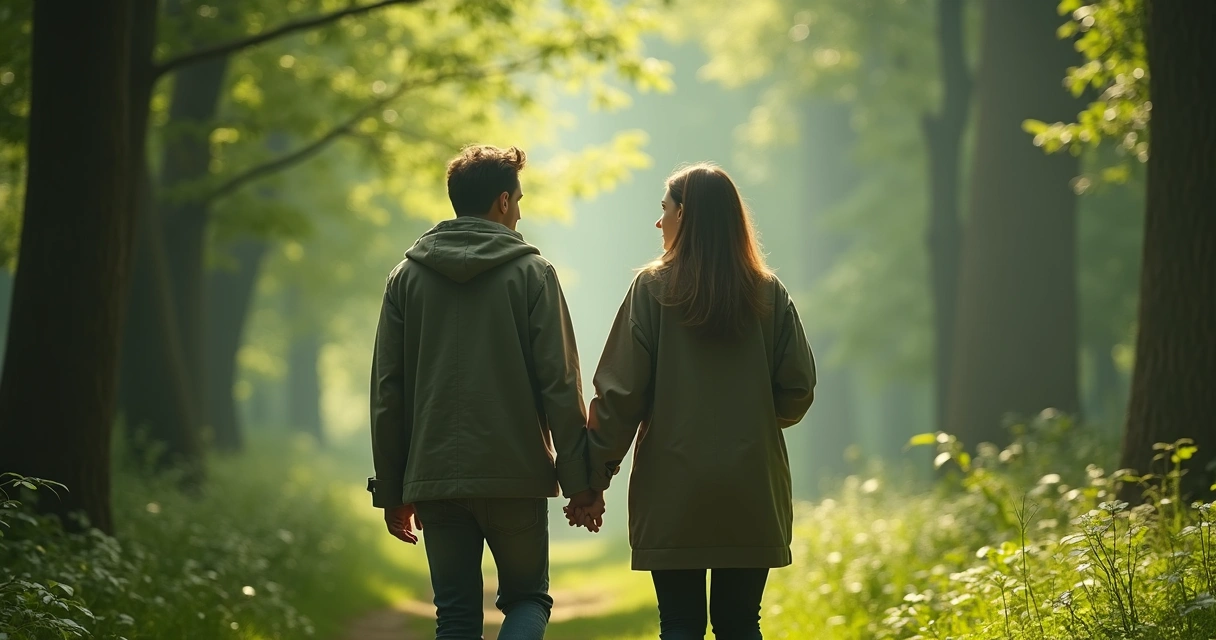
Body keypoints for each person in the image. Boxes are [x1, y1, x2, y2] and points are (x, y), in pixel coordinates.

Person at [569, 163, 817, 639]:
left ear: (686, 214)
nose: (658, 223)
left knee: (679, 624)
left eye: (664, 210)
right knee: (740, 623)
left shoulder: (652, 289)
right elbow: (799, 388)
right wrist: (753, 420)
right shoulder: (768, 293)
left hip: (671, 487)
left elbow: (620, 397)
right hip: (751, 486)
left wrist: (591, 480)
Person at [368, 144, 599, 640]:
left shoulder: (405, 278)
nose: (518, 212)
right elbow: (559, 383)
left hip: (434, 475)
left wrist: (392, 489)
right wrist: (582, 482)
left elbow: (389, 392)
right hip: (514, 474)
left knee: (454, 615)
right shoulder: (533, 274)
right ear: (501, 202)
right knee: (527, 599)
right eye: (518, 199)